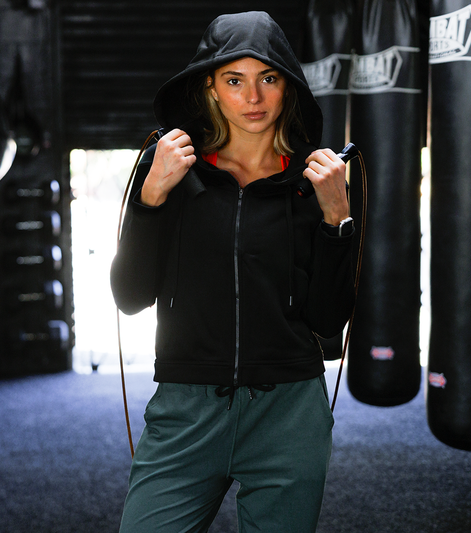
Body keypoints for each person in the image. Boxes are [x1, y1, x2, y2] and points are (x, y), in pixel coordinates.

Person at [111, 11, 355, 533]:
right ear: (211, 87)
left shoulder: (316, 181)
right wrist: (150, 197)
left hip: (289, 414)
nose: (253, 98)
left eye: (268, 78)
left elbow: (328, 319)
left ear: (288, 87)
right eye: (235, 80)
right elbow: (130, 296)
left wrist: (337, 217)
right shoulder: (170, 170)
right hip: (187, 410)